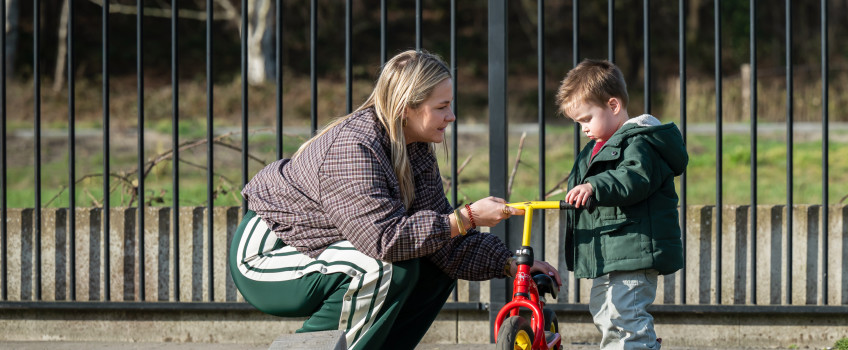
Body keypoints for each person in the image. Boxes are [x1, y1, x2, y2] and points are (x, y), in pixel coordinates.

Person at [229, 49, 559, 350]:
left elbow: (443, 239)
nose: (452, 116)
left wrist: (510, 265)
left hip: (322, 252)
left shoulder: (414, 148)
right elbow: (383, 241)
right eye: (442, 107)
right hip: (268, 257)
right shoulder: (354, 149)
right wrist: (467, 217)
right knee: (385, 267)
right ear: (406, 108)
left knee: (431, 262)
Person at [557, 59, 688, 350]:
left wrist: (594, 186)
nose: (583, 129)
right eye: (578, 123)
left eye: (586, 120)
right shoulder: (594, 148)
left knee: (625, 314)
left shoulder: (639, 143)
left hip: (634, 250)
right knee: (605, 312)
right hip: (610, 251)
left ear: (613, 105)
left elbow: (634, 178)